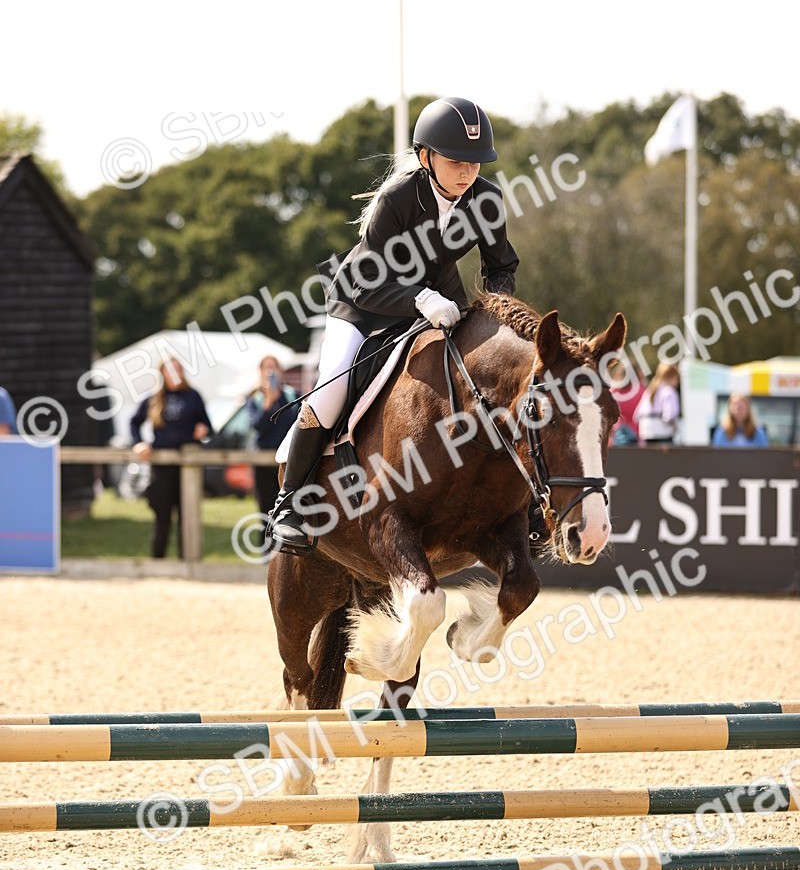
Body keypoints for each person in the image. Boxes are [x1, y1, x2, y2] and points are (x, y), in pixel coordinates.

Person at [268, 96, 519, 552]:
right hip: (364, 304)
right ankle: (289, 504)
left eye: (476, 164)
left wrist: (493, 314)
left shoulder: (485, 199)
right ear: (426, 157)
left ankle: (518, 504)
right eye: (457, 161)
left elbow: (501, 266)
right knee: (330, 391)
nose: (467, 173)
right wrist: (421, 298)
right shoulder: (397, 198)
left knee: (487, 382)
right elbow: (370, 278)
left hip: (441, 301)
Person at [130, 358, 212, 558]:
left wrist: (203, 430)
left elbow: (208, 426)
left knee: (187, 516)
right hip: (162, 465)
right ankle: (158, 561)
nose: (174, 374)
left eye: (177, 369)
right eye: (169, 370)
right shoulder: (155, 397)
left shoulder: (193, 396)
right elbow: (134, 422)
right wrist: (139, 442)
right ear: (163, 374)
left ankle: (188, 562)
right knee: (162, 516)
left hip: (188, 466)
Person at [246, 355, 299, 516]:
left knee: (288, 509)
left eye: (274, 367)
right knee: (265, 510)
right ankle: (266, 541)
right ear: (260, 372)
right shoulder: (255, 399)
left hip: (287, 461)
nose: (271, 372)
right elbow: (257, 427)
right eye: (267, 368)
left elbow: (296, 423)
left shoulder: (292, 395)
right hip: (263, 462)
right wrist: (268, 402)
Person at [634, 362, 681, 445]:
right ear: (671, 377)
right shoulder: (669, 392)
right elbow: (669, 416)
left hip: (646, 433)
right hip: (663, 435)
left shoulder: (649, 391)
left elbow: (636, 416)